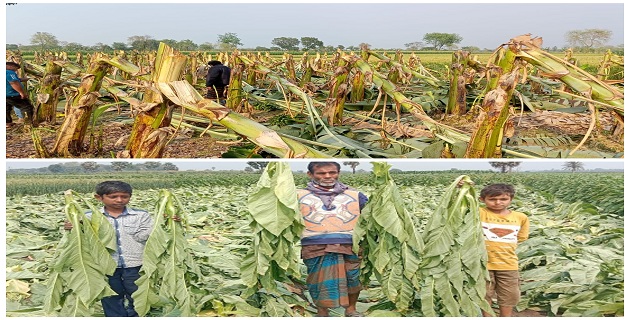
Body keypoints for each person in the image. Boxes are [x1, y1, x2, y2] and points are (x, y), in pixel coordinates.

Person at [65, 181, 153, 317]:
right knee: (110, 297)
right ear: (99, 197)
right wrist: (73, 228)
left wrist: (164, 224)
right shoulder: (88, 216)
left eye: (125, 196)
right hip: (106, 266)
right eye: (113, 196)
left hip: (135, 264)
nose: (119, 200)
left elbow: (145, 236)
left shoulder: (141, 215)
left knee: (137, 295)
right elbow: (83, 240)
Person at [297, 162, 368, 317]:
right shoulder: (298, 196)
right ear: (310, 174)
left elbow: (371, 217)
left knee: (353, 279)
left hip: (350, 245)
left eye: (332, 172)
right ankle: (322, 312)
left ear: (338, 173)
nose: (328, 176)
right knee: (318, 281)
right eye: (321, 173)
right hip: (315, 245)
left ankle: (351, 310)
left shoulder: (356, 195)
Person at [479, 183, 529, 317]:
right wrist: (461, 187)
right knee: (484, 293)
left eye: (503, 199)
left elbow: (521, 237)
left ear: (511, 199)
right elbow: (463, 204)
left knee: (510, 294)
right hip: (482, 263)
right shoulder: (480, 212)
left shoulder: (520, 217)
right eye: (492, 199)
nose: (498, 203)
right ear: (482, 199)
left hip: (508, 263)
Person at [6, 61, 34, 128]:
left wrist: (29, 78)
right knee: (26, 107)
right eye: (15, 68)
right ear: (10, 66)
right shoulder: (9, 72)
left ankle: (7, 123)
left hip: (5, 95)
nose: (16, 70)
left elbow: (18, 79)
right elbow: (14, 82)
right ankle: (28, 123)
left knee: (6, 109)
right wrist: (21, 92)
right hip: (12, 94)